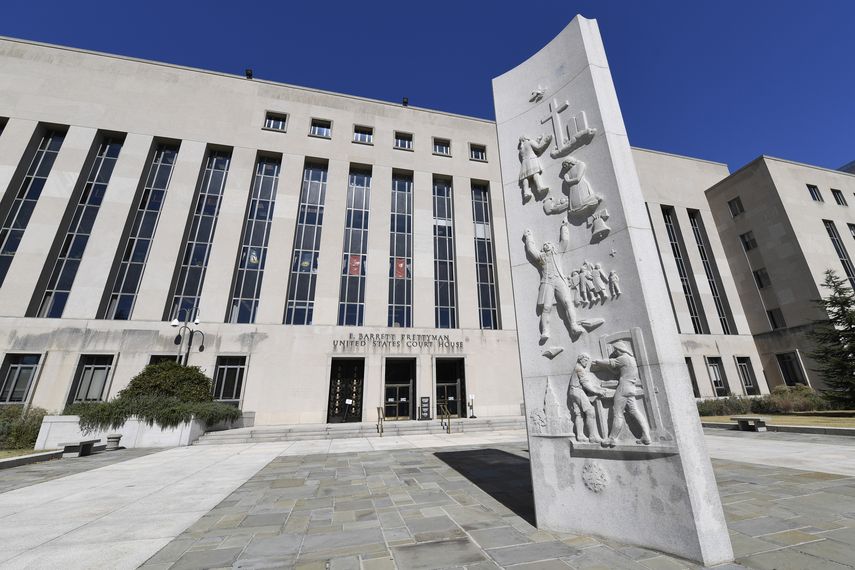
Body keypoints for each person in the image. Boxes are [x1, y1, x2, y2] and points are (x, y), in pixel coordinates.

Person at [523, 221, 583, 340]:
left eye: (548, 244)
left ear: (553, 247)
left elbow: (564, 241)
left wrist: (564, 227)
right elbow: (531, 250)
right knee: (546, 308)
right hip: (547, 283)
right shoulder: (541, 258)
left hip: (559, 280)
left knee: (567, 302)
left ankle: (574, 325)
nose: (546, 245)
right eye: (544, 245)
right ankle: (545, 331)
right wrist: (529, 237)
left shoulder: (558, 254)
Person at [592, 340, 652, 446]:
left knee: (618, 413)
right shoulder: (632, 359)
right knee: (635, 411)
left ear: (620, 350)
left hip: (623, 388)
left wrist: (598, 362)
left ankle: (612, 439)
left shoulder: (623, 358)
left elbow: (610, 362)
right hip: (631, 388)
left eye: (616, 350)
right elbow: (616, 371)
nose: (615, 353)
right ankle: (646, 436)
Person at [568, 353, 606, 443]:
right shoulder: (579, 369)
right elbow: (585, 384)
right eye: (585, 360)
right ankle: (592, 436)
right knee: (590, 411)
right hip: (577, 391)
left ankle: (580, 436)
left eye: (587, 361)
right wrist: (597, 391)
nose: (586, 363)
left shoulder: (577, 368)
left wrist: (596, 389)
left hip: (573, 391)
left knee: (579, 414)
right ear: (580, 360)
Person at [518, 134, 552, 203]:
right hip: (531, 159)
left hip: (525, 162)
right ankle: (539, 187)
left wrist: (537, 140)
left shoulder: (521, 148)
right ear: (526, 137)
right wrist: (546, 141)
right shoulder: (529, 142)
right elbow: (538, 148)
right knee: (535, 174)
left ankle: (526, 192)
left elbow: (531, 148)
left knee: (526, 177)